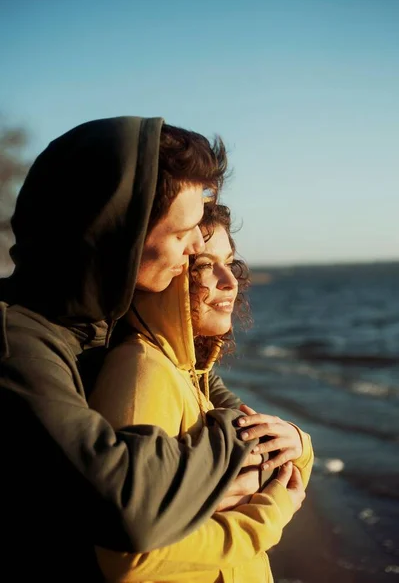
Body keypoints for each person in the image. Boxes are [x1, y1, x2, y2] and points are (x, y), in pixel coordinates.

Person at [0, 117, 263, 581]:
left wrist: (284, 438)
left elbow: (206, 385)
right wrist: (235, 440)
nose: (190, 255)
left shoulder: (103, 322)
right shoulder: (14, 341)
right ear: (120, 234)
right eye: (182, 234)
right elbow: (129, 506)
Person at [89, 202, 314, 582]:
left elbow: (279, 472)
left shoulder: (188, 370)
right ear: (166, 271)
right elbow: (129, 559)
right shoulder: (142, 370)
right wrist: (266, 517)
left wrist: (298, 442)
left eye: (230, 262)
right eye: (205, 266)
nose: (230, 281)